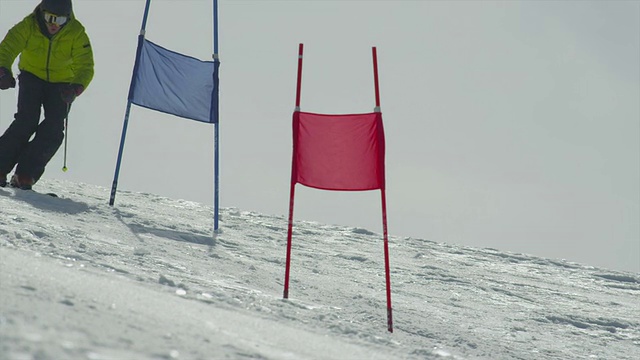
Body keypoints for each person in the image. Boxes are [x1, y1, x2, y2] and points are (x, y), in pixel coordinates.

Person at [0, 0, 94, 190]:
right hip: (32, 77)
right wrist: (3, 71)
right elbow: (7, 48)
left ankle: (25, 174)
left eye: (60, 20)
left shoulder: (76, 32)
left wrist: (75, 88)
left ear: (67, 18)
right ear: (42, 14)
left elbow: (85, 65)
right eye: (50, 18)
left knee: (54, 128)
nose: (54, 25)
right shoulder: (28, 25)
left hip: (62, 84)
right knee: (26, 121)